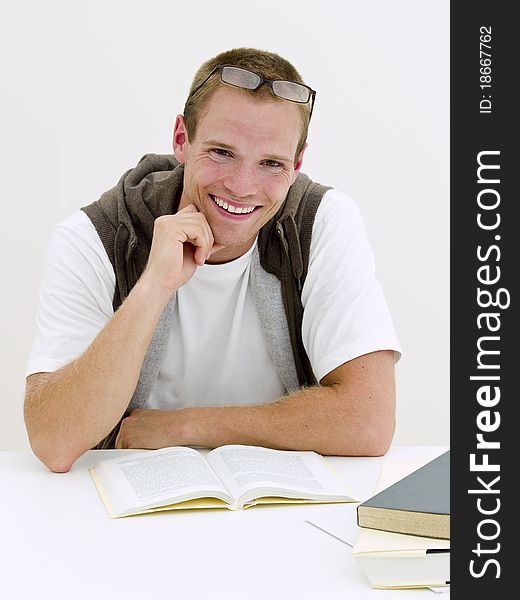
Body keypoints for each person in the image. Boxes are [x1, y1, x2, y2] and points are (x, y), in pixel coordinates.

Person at [24, 47, 401, 473]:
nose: (242, 186)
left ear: (296, 164)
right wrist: (153, 287)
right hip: (125, 508)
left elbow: (369, 422)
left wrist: (187, 427)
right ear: (182, 139)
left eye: (271, 163)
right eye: (222, 152)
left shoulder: (323, 223)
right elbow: (54, 442)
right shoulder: (94, 236)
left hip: (278, 501)